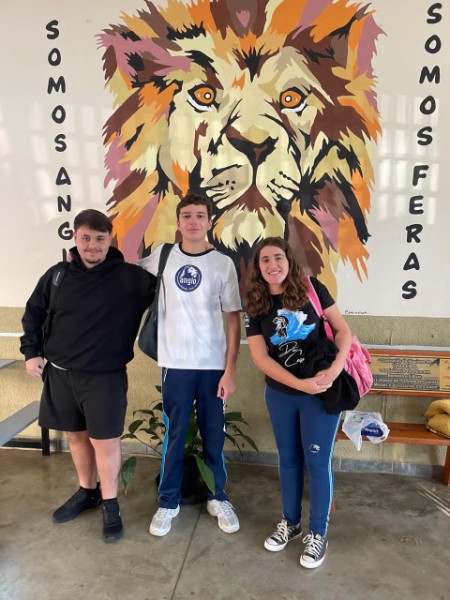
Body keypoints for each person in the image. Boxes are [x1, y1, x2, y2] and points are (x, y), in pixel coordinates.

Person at [20, 209, 156, 542]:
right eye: (86, 238)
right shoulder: (57, 276)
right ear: (75, 238)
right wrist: (31, 352)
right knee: (76, 437)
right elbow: (33, 313)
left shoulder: (131, 278)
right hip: (61, 374)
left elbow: (176, 295)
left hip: (105, 377)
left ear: (110, 240)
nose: (92, 245)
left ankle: (110, 504)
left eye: (99, 238)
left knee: (105, 441)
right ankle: (87, 491)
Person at [243, 237, 353, 569]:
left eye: (278, 257)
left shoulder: (312, 289)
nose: (272, 264)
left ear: (289, 261)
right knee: (289, 460)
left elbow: (343, 332)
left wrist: (334, 371)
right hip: (281, 395)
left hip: (321, 392)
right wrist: (298, 385)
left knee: (317, 463)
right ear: (258, 267)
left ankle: (318, 532)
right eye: (264, 260)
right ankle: (290, 523)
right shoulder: (256, 302)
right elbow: (261, 357)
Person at [139, 193, 242, 537]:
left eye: (200, 215)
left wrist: (230, 369)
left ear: (210, 221)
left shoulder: (223, 264)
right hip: (176, 364)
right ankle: (168, 501)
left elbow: (233, 320)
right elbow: (124, 275)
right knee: (175, 434)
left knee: (214, 434)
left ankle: (218, 496)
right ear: (179, 222)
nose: (193, 221)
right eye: (187, 215)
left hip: (213, 366)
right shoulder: (163, 256)